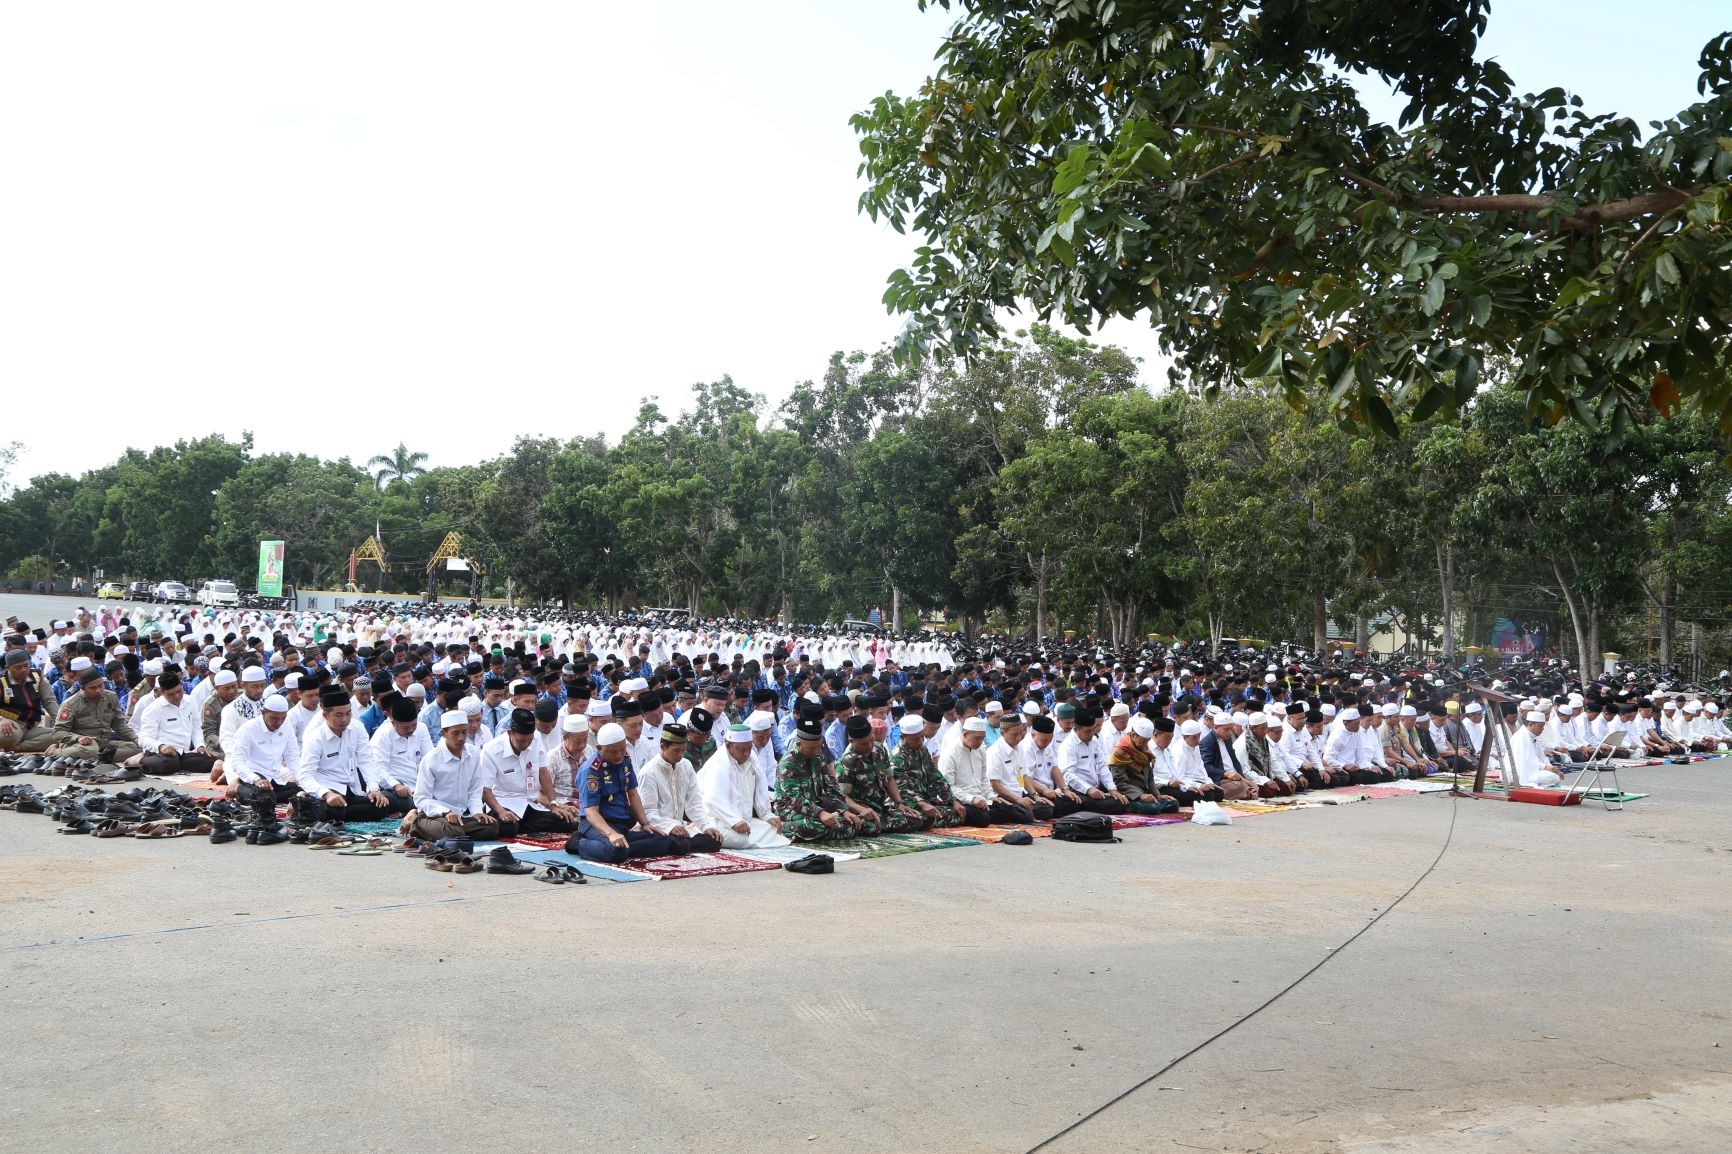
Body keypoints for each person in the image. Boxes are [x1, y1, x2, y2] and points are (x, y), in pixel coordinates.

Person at [296, 685, 410, 825]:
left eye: (348, 713)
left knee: (382, 805)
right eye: (339, 715)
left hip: (352, 788)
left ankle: (331, 812)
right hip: (328, 789)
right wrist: (327, 794)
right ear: (325, 715)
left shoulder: (357, 727)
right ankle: (312, 806)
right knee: (334, 810)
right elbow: (305, 776)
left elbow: (366, 760)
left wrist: (373, 789)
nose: (344, 719)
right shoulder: (315, 739)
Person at [569, 722, 674, 863]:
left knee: (662, 839)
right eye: (612, 751)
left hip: (621, 823)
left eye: (622, 749)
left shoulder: (624, 760)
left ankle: (618, 847)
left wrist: (644, 823)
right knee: (616, 852)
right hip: (596, 824)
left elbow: (632, 793)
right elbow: (591, 812)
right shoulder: (591, 771)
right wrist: (611, 834)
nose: (618, 755)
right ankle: (578, 844)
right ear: (599, 748)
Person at [696, 721, 789, 849]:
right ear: (728, 746)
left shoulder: (751, 757)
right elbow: (712, 800)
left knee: (772, 828)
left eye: (749, 748)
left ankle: (765, 839)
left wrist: (767, 815)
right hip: (719, 822)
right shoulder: (718, 764)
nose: (746, 753)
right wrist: (733, 822)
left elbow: (761, 790)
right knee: (737, 838)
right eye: (742, 750)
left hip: (745, 822)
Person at [410, 709, 499, 841]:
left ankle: (454, 833)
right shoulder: (431, 759)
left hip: (459, 817)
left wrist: (477, 812)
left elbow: (475, 790)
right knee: (451, 831)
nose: (461, 738)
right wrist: (445, 812)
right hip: (434, 815)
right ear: (444, 733)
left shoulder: (473, 753)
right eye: (455, 733)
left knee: (492, 826)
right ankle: (417, 823)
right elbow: (421, 798)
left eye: (464, 732)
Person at [635, 723, 725, 852]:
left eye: (684, 750)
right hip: (659, 828)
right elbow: (648, 813)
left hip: (681, 828)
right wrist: (671, 827)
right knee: (680, 845)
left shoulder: (686, 766)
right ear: (663, 747)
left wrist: (706, 826)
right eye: (676, 750)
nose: (680, 755)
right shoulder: (649, 772)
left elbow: (694, 803)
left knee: (714, 841)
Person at [225, 694, 299, 845]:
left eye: (282, 718)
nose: (279, 722)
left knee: (301, 793)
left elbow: (293, 757)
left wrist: (303, 781)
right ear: (263, 713)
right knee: (265, 796)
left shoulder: (286, 726)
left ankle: (258, 822)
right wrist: (256, 779)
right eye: (274, 718)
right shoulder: (248, 729)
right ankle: (238, 787)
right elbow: (237, 762)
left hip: (275, 778)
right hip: (252, 776)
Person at [774, 717, 862, 841]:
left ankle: (799, 834)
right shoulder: (788, 764)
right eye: (812, 748)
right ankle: (785, 827)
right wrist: (820, 813)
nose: (816, 751)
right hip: (790, 810)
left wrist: (843, 810)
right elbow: (794, 799)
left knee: (851, 823)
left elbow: (831, 786)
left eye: (818, 746)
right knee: (814, 826)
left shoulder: (818, 755)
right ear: (799, 744)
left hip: (815, 807)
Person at [835, 714, 926, 832]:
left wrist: (899, 803)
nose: (869, 746)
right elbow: (843, 797)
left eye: (871, 740)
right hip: (862, 811)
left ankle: (881, 824)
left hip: (881, 808)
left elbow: (890, 778)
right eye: (863, 743)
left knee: (917, 818)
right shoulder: (846, 762)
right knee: (867, 826)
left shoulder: (879, 749)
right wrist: (860, 809)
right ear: (851, 741)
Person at [47, 667, 142, 764]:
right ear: (82, 688)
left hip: (103, 742)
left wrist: (135, 738)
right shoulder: (71, 704)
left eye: (100, 686)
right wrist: (78, 738)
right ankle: (55, 752)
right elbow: (58, 732)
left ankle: (99, 758)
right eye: (92, 688)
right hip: (81, 745)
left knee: (138, 748)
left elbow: (119, 724)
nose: (98, 690)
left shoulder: (111, 697)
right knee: (90, 751)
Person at [137, 671, 217, 778]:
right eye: (171, 694)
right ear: (162, 692)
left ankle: (177, 765)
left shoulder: (190, 701)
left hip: (183, 753)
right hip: (161, 753)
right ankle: (139, 760)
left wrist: (199, 745)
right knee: (168, 764)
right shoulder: (153, 709)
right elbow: (143, 739)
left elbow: (196, 728)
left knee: (212, 761)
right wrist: (161, 746)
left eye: (179, 691)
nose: (177, 696)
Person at [477, 707, 541, 838]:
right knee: (509, 827)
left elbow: (544, 771)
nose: (526, 745)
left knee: (563, 820)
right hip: (502, 803)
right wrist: (500, 812)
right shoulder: (491, 750)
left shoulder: (535, 741)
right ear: (510, 733)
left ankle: (526, 824)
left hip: (528, 802)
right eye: (522, 741)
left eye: (529, 740)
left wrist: (553, 804)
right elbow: (485, 790)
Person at [364, 696, 432, 814]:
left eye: (413, 725)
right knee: (384, 800)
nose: (411, 729)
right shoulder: (383, 734)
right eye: (406, 727)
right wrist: (396, 785)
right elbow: (378, 768)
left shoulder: (421, 728)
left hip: (419, 788)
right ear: (393, 722)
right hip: (392, 789)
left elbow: (430, 759)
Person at [986, 710, 1056, 820]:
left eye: (1021, 733)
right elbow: (995, 785)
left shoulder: (1020, 748)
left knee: (1046, 807)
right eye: (1014, 734)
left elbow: (1024, 776)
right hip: (1002, 797)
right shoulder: (995, 752)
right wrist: (1017, 799)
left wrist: (1035, 796)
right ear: (1003, 733)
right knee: (1023, 814)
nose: (1019, 738)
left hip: (1019, 794)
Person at [1106, 715, 1180, 813]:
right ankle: (1132, 806)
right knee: (1153, 808)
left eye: (1148, 741)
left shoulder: (1144, 749)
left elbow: (1150, 778)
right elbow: (1120, 783)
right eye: (1144, 740)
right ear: (1133, 735)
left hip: (1144, 791)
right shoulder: (1120, 752)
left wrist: (1158, 795)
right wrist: (1140, 796)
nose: (1146, 744)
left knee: (1174, 804)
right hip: (1130, 794)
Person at [1, 647, 60, 753]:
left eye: (25, 665)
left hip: (31, 726)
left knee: (62, 736)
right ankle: (15, 743)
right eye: (18, 667)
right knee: (8, 736)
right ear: (8, 667)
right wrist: (2, 719)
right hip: (11, 725)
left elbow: (49, 701)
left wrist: (62, 722)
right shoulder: (2, 681)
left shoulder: (37, 675)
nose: (23, 670)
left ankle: (17, 748)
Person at [1511, 709, 1564, 788]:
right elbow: (1525, 760)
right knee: (1553, 778)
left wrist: (1551, 767)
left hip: (1533, 770)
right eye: (1541, 726)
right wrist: (1546, 767)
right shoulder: (1521, 737)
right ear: (1531, 724)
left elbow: (1542, 757)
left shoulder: (1532, 736)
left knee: (1555, 776)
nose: (1542, 729)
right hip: (1520, 772)